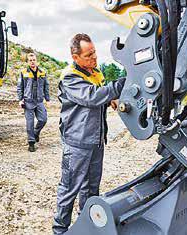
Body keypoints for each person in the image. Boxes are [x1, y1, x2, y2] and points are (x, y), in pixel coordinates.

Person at [52, 33, 125, 234]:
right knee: (69, 190)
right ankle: (60, 230)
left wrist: (112, 99)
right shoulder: (69, 77)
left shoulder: (94, 71)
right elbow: (92, 97)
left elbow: (101, 93)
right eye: (88, 55)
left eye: (94, 53)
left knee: (92, 189)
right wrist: (120, 84)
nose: (94, 58)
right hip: (77, 144)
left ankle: (88, 225)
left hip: (95, 141)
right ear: (75, 57)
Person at [17, 52, 50, 152]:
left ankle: (36, 133)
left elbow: (46, 86)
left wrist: (47, 99)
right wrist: (20, 99)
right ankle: (31, 142)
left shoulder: (43, 72)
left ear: (37, 61)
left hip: (39, 101)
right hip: (28, 102)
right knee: (30, 123)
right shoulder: (23, 73)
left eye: (34, 60)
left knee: (43, 119)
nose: (32, 62)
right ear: (27, 62)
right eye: (30, 60)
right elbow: (20, 87)